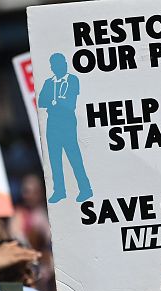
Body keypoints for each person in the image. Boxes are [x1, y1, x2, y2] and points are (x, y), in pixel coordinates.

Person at [39, 52, 93, 203]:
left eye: (60, 64)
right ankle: (59, 191)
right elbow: (41, 101)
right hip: (52, 123)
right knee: (54, 158)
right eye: (54, 65)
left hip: (67, 122)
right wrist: (54, 103)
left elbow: (70, 103)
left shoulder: (72, 80)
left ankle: (85, 189)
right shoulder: (49, 82)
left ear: (64, 64)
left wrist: (54, 103)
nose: (57, 67)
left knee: (74, 156)